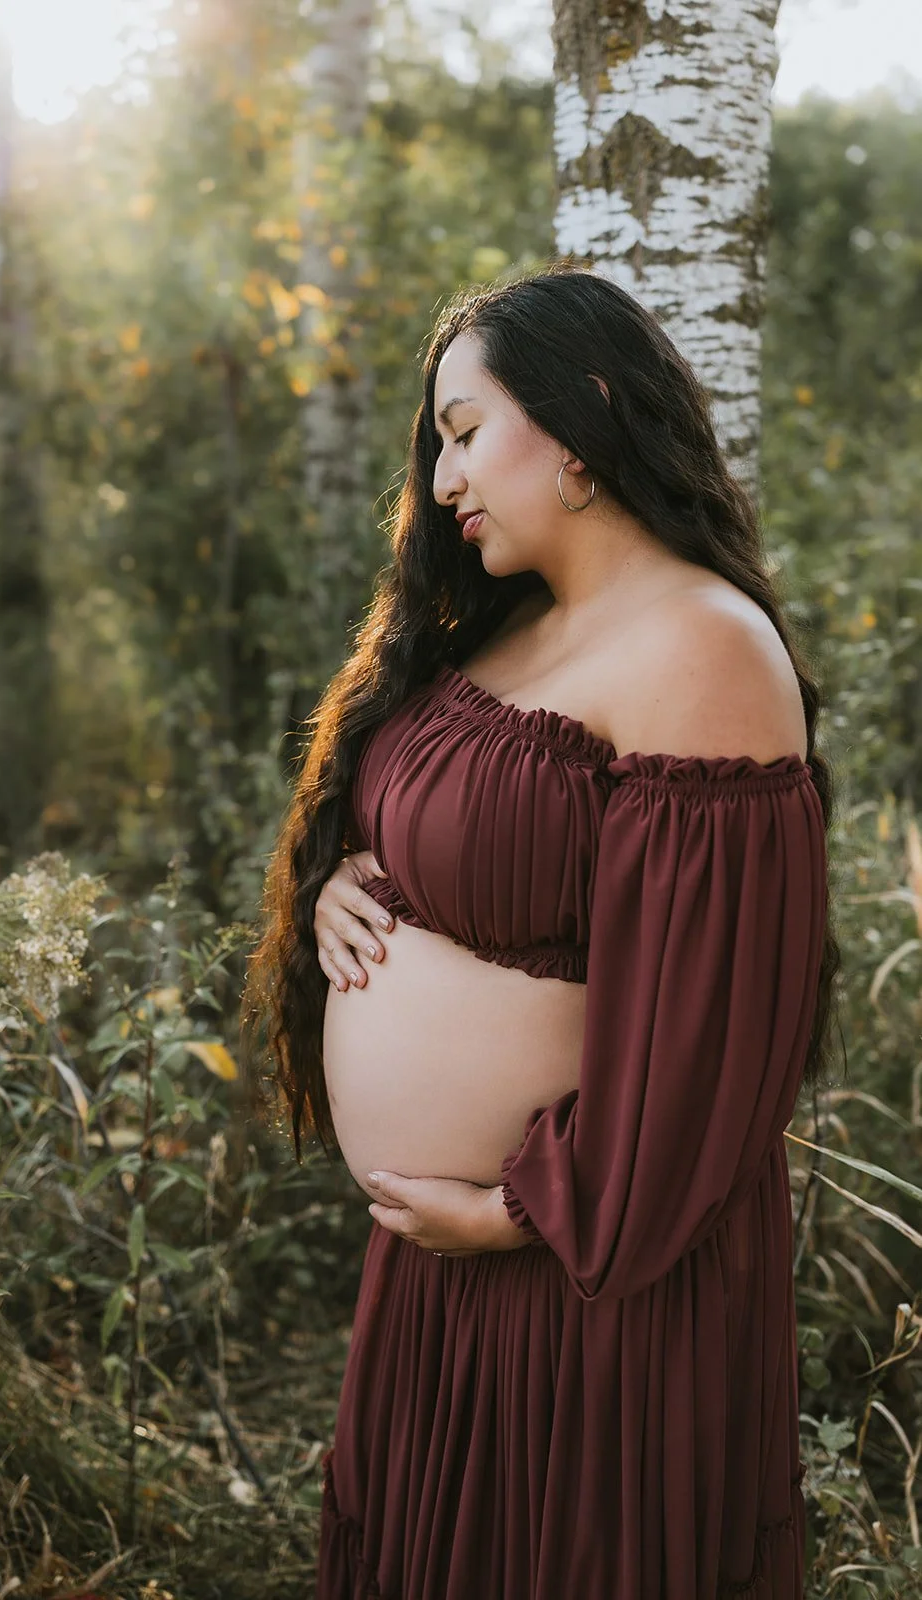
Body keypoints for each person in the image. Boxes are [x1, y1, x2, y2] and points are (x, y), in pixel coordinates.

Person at [240, 261, 840, 1600]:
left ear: (584, 416)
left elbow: (715, 1025)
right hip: (448, 1261)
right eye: (434, 447)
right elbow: (457, 845)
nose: (441, 482)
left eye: (462, 433)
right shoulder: (511, 627)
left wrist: (521, 1211)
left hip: (588, 1280)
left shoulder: (700, 644)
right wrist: (352, 880)